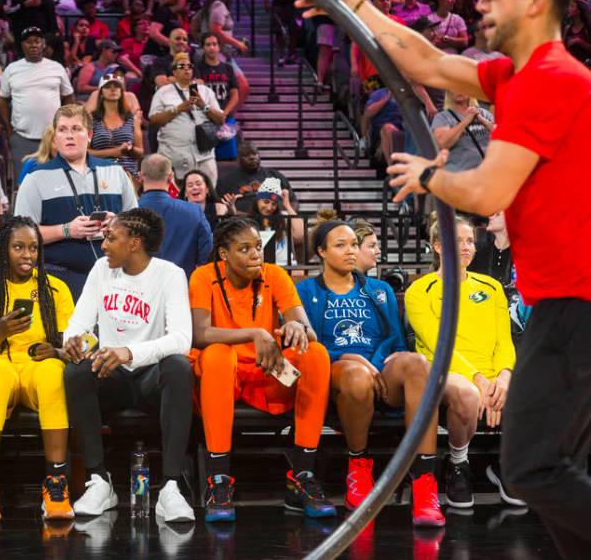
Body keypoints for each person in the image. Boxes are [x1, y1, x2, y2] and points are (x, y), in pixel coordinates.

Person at [284, 0, 591, 557]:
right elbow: (424, 61)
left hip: (574, 302)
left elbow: (483, 191)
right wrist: (355, 5)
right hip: (566, 300)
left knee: (534, 469)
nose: (480, 5)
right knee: (553, 467)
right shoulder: (517, 75)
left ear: (535, 1)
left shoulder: (550, 82)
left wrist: (426, 175)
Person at [295, 218, 445, 525]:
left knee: (418, 364)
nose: (350, 251)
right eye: (340, 245)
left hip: (379, 370)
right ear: (322, 252)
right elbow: (308, 345)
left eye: (353, 244)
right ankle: (358, 468)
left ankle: (424, 482)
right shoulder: (305, 291)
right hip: (337, 372)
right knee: (354, 374)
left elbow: (395, 340)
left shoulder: (379, 290)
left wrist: (375, 363)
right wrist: (350, 356)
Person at [189, 217, 333, 522]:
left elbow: (309, 332)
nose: (256, 254)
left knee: (316, 354)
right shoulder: (203, 277)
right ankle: (218, 481)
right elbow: (199, 334)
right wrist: (256, 333)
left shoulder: (275, 275)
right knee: (215, 354)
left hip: (266, 368)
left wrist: (295, 324)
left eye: (258, 247)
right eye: (245, 249)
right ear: (224, 254)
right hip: (223, 376)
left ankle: (302, 475)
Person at [61, 208, 195, 522]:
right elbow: (78, 323)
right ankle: (99, 481)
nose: (103, 244)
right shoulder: (100, 269)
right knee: (76, 370)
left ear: (134, 242)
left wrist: (129, 352)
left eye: (111, 238)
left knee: (178, 366)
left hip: (150, 377)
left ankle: (171, 487)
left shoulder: (170, 274)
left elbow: (180, 339)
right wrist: (74, 342)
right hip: (112, 376)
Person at [0, 216, 76, 521]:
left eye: (33, 248)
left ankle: (56, 484)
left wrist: (57, 351)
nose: (27, 255)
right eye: (18, 247)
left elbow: (74, 345)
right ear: (3, 250)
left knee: (53, 370)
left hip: (36, 370)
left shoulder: (56, 289)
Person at [406, 215, 519, 509]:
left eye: (470, 241)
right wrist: (479, 379)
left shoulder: (492, 287)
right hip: (443, 371)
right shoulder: (420, 290)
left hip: (492, 374)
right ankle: (458, 464)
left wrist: (503, 377)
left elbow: (503, 341)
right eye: (457, 242)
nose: (466, 247)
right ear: (439, 246)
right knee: (467, 393)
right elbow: (438, 345)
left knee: (538, 387)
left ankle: (512, 467)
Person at [14, 104, 138, 300]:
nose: (69, 135)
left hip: (115, 276)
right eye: (62, 130)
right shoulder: (35, 178)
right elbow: (20, 236)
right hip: (59, 279)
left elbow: (137, 224)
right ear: (55, 137)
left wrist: (118, 224)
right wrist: (66, 230)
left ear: (89, 134)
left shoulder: (116, 172)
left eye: (76, 129)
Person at [0, 27, 75, 179]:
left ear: (43, 44)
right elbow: (2, 100)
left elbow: (68, 96)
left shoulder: (56, 67)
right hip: (22, 135)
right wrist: (8, 128)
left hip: (54, 135)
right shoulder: (12, 69)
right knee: (25, 180)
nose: (33, 45)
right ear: (22, 45)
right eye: (28, 42)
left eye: (37, 41)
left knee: (57, 179)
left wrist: (65, 123)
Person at [148, 52, 224, 185]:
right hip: (173, 156)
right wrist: (178, 109)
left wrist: (203, 105)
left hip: (204, 156)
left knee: (208, 196)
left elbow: (220, 120)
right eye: (182, 66)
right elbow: (154, 120)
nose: (187, 69)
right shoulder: (163, 92)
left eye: (189, 66)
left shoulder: (205, 91)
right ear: (174, 72)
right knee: (176, 200)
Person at [137, 153, 211, 278]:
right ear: (171, 177)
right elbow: (206, 257)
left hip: (136, 293)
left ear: (140, 176)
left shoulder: (126, 212)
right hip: (181, 289)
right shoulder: (194, 212)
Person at [215, 141, 296, 216]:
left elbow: (294, 203)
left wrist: (280, 213)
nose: (252, 157)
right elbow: (219, 209)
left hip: (273, 219)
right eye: (247, 155)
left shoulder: (275, 176)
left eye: (255, 154)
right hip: (240, 221)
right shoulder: (225, 181)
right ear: (238, 159)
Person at [88, 72, 143, 176]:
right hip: (99, 174)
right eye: (108, 87)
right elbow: (84, 152)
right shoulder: (92, 120)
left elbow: (140, 152)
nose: (113, 89)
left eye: (117, 86)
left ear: (122, 92)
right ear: (101, 93)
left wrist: (129, 150)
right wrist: (113, 152)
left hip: (127, 174)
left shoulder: (132, 119)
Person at [430, 90, 494, 171]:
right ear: (449, 93)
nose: (458, 90)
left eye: (460, 87)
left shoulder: (484, 114)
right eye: (454, 87)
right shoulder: (442, 117)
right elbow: (442, 143)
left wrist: (483, 120)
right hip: (460, 173)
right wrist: (465, 121)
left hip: (487, 172)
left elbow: (503, 135)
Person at [195, 33, 241, 121]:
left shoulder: (228, 68)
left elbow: (235, 96)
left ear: (219, 47)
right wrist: (211, 113)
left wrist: (223, 114)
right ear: (203, 47)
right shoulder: (197, 68)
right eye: (208, 45)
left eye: (214, 44)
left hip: (226, 116)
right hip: (205, 116)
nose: (211, 48)